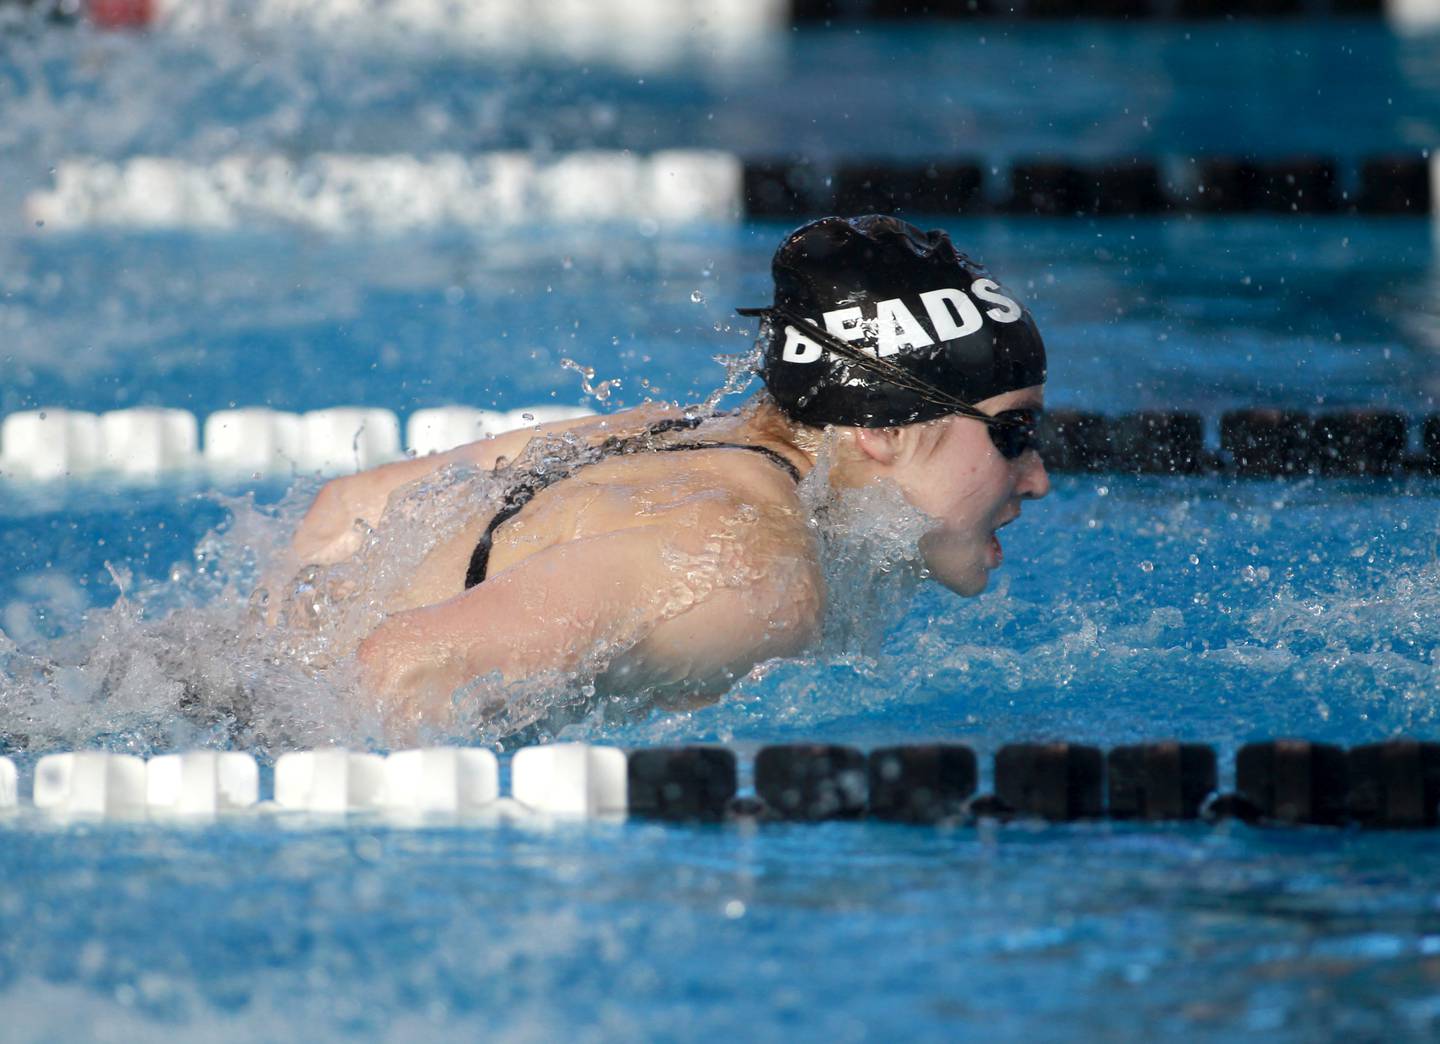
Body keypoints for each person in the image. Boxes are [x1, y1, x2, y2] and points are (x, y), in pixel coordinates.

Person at [276, 214, 1051, 741]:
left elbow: (343, 509)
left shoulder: (670, 433)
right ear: (882, 428)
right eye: (1014, 433)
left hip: (219, 683)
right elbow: (398, 664)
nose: (1037, 477)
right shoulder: (753, 571)